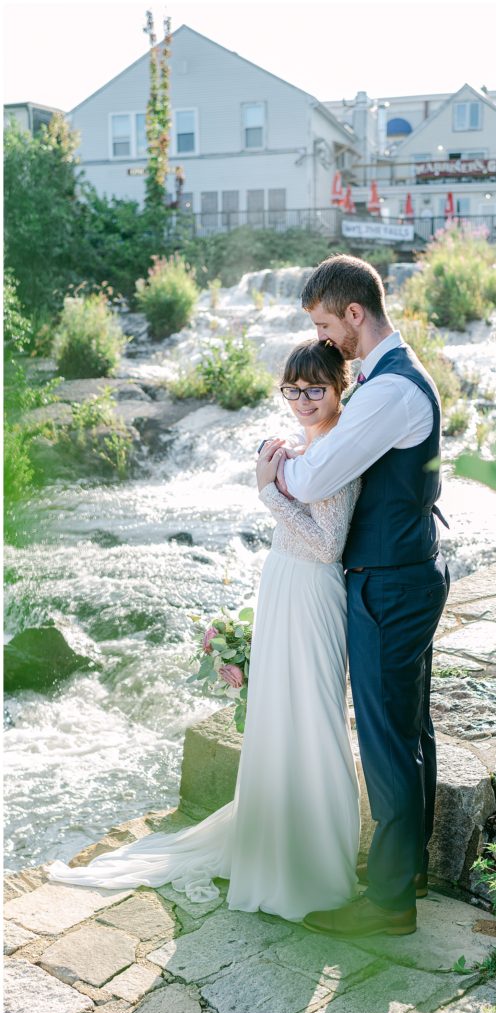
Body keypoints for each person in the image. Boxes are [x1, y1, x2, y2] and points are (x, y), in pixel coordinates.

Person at [45, 341, 362, 924]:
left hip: (314, 591)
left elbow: (326, 545)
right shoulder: (306, 444)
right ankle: (279, 852)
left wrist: (268, 492)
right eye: (292, 390)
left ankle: (314, 865)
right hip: (284, 585)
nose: (302, 401)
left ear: (340, 386)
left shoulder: (337, 452)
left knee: (313, 719)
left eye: (314, 389)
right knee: (279, 717)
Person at [275, 253, 450, 939]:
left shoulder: (389, 392)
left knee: (385, 739)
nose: (322, 341)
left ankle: (386, 905)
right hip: (406, 571)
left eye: (325, 324)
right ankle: (411, 874)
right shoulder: (391, 380)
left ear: (355, 314)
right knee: (408, 732)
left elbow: (316, 478)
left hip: (388, 583)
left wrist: (275, 472)